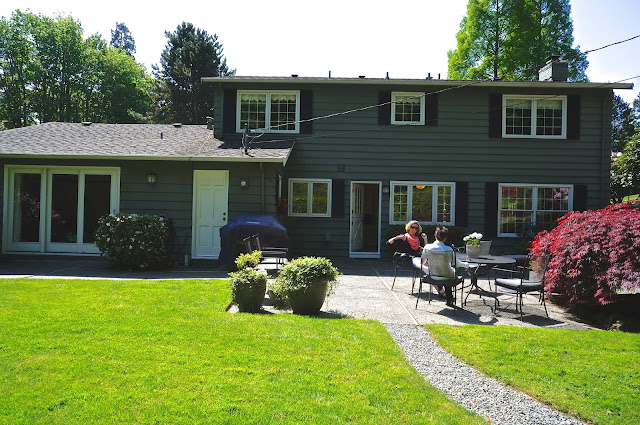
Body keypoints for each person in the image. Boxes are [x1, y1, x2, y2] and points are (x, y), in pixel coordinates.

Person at [422, 225, 471, 306]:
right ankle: (449, 298)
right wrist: (466, 265)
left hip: (433, 276)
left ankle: (442, 290)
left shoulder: (427, 247)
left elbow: (422, 262)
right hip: (448, 277)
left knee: (442, 272)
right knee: (449, 273)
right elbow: (457, 264)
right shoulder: (449, 249)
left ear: (435, 236)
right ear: (445, 238)